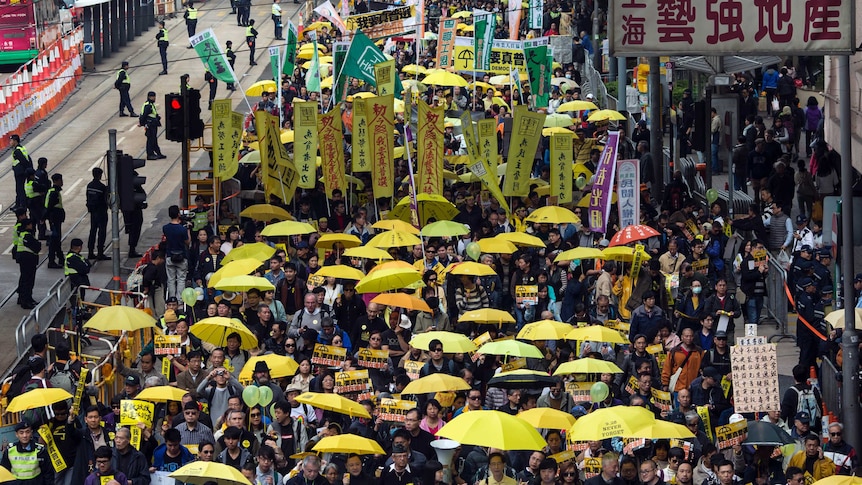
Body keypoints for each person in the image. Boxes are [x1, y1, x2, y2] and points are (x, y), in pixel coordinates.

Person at [1, 421, 53, 485]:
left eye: (27, 432)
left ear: (31, 433)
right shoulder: (10, 450)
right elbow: (4, 472)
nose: (25, 435)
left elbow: (48, 473)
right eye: (21, 433)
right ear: (16, 434)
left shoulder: (40, 450)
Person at [163, 205, 190, 300]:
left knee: (171, 279)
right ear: (178, 214)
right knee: (181, 279)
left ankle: (171, 299)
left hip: (170, 256)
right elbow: (187, 242)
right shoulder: (182, 229)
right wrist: (188, 230)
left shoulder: (165, 228)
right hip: (182, 256)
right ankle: (180, 301)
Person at [85, 167, 110, 260]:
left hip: (92, 212)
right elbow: (106, 199)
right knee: (102, 232)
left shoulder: (89, 185)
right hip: (101, 212)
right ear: (100, 175)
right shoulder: (102, 187)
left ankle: (90, 252)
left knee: (92, 231)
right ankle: (100, 252)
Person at [16, 218, 40, 309]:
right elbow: (36, 247)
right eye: (30, 224)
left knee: (25, 279)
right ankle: (26, 301)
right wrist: (37, 244)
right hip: (28, 260)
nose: (32, 226)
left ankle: (26, 298)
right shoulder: (27, 236)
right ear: (27, 226)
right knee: (28, 281)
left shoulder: (24, 234)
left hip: (26, 260)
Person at [42, 172, 64, 268]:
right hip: (54, 220)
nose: (62, 182)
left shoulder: (53, 191)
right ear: (57, 181)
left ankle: (60, 258)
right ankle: (51, 261)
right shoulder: (54, 193)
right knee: (54, 240)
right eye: (61, 180)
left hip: (54, 219)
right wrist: (43, 218)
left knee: (56, 240)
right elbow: (50, 207)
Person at [10, 134, 34, 210]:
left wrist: (28, 170)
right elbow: (28, 158)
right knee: (19, 188)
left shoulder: (17, 151)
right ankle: (18, 203)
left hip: (20, 172)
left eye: (11, 141)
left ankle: (22, 205)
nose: (10, 142)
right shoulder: (22, 148)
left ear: (15, 141)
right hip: (22, 171)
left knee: (20, 189)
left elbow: (23, 160)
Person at [140, 91, 166, 160]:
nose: (154, 98)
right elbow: (144, 115)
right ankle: (150, 154)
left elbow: (152, 114)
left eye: (154, 96)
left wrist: (157, 117)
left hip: (153, 124)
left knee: (153, 139)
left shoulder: (151, 104)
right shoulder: (148, 105)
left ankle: (158, 153)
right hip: (150, 125)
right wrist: (142, 123)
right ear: (149, 97)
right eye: (153, 97)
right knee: (150, 139)